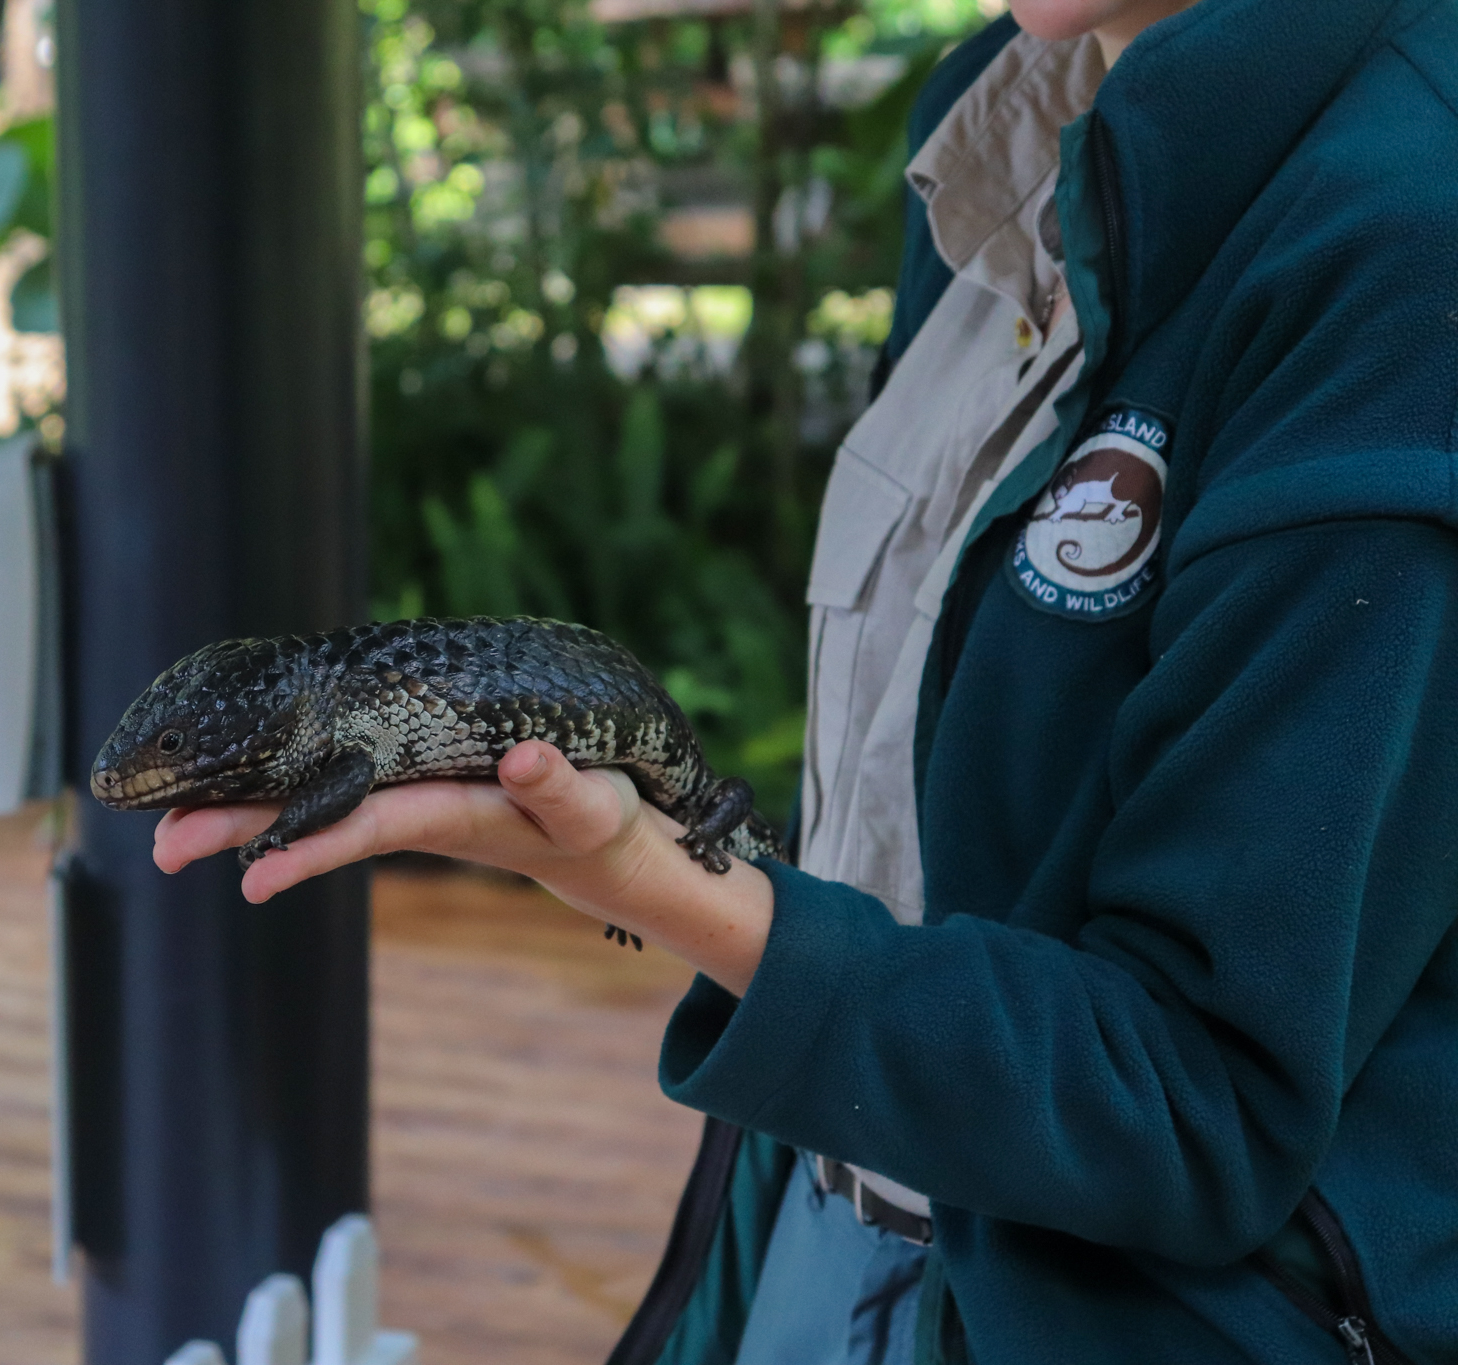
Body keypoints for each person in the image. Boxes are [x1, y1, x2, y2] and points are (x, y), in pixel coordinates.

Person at [155, 0, 1458, 1358]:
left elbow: (1201, 1100)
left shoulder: (1405, 239)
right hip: (834, 1199)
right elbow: (932, 797)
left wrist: (672, 890)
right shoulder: (998, 122)